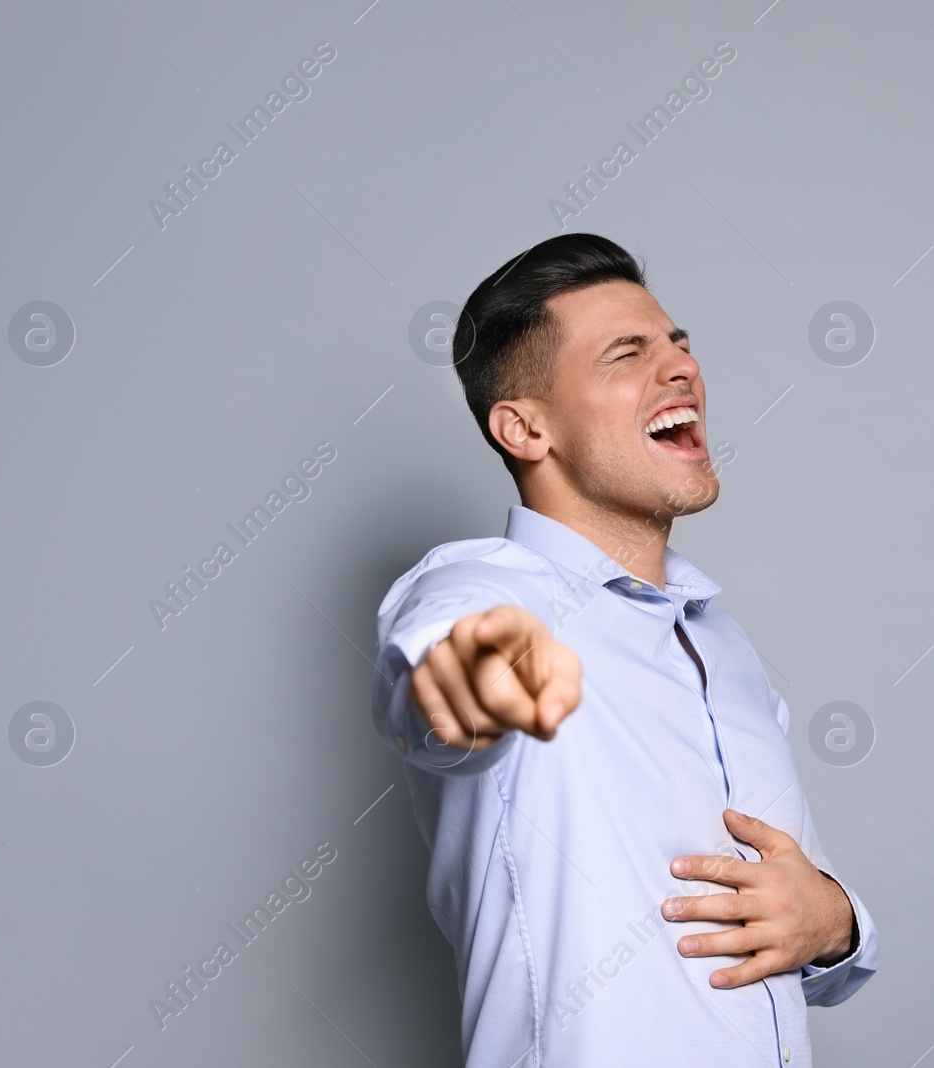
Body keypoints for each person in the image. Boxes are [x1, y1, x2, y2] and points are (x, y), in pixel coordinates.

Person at [371, 233, 877, 1066]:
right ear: (525, 427)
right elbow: (438, 679)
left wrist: (834, 920)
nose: (680, 369)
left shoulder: (725, 646)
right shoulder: (486, 589)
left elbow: (801, 937)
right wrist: (466, 688)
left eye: (680, 345)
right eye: (627, 353)